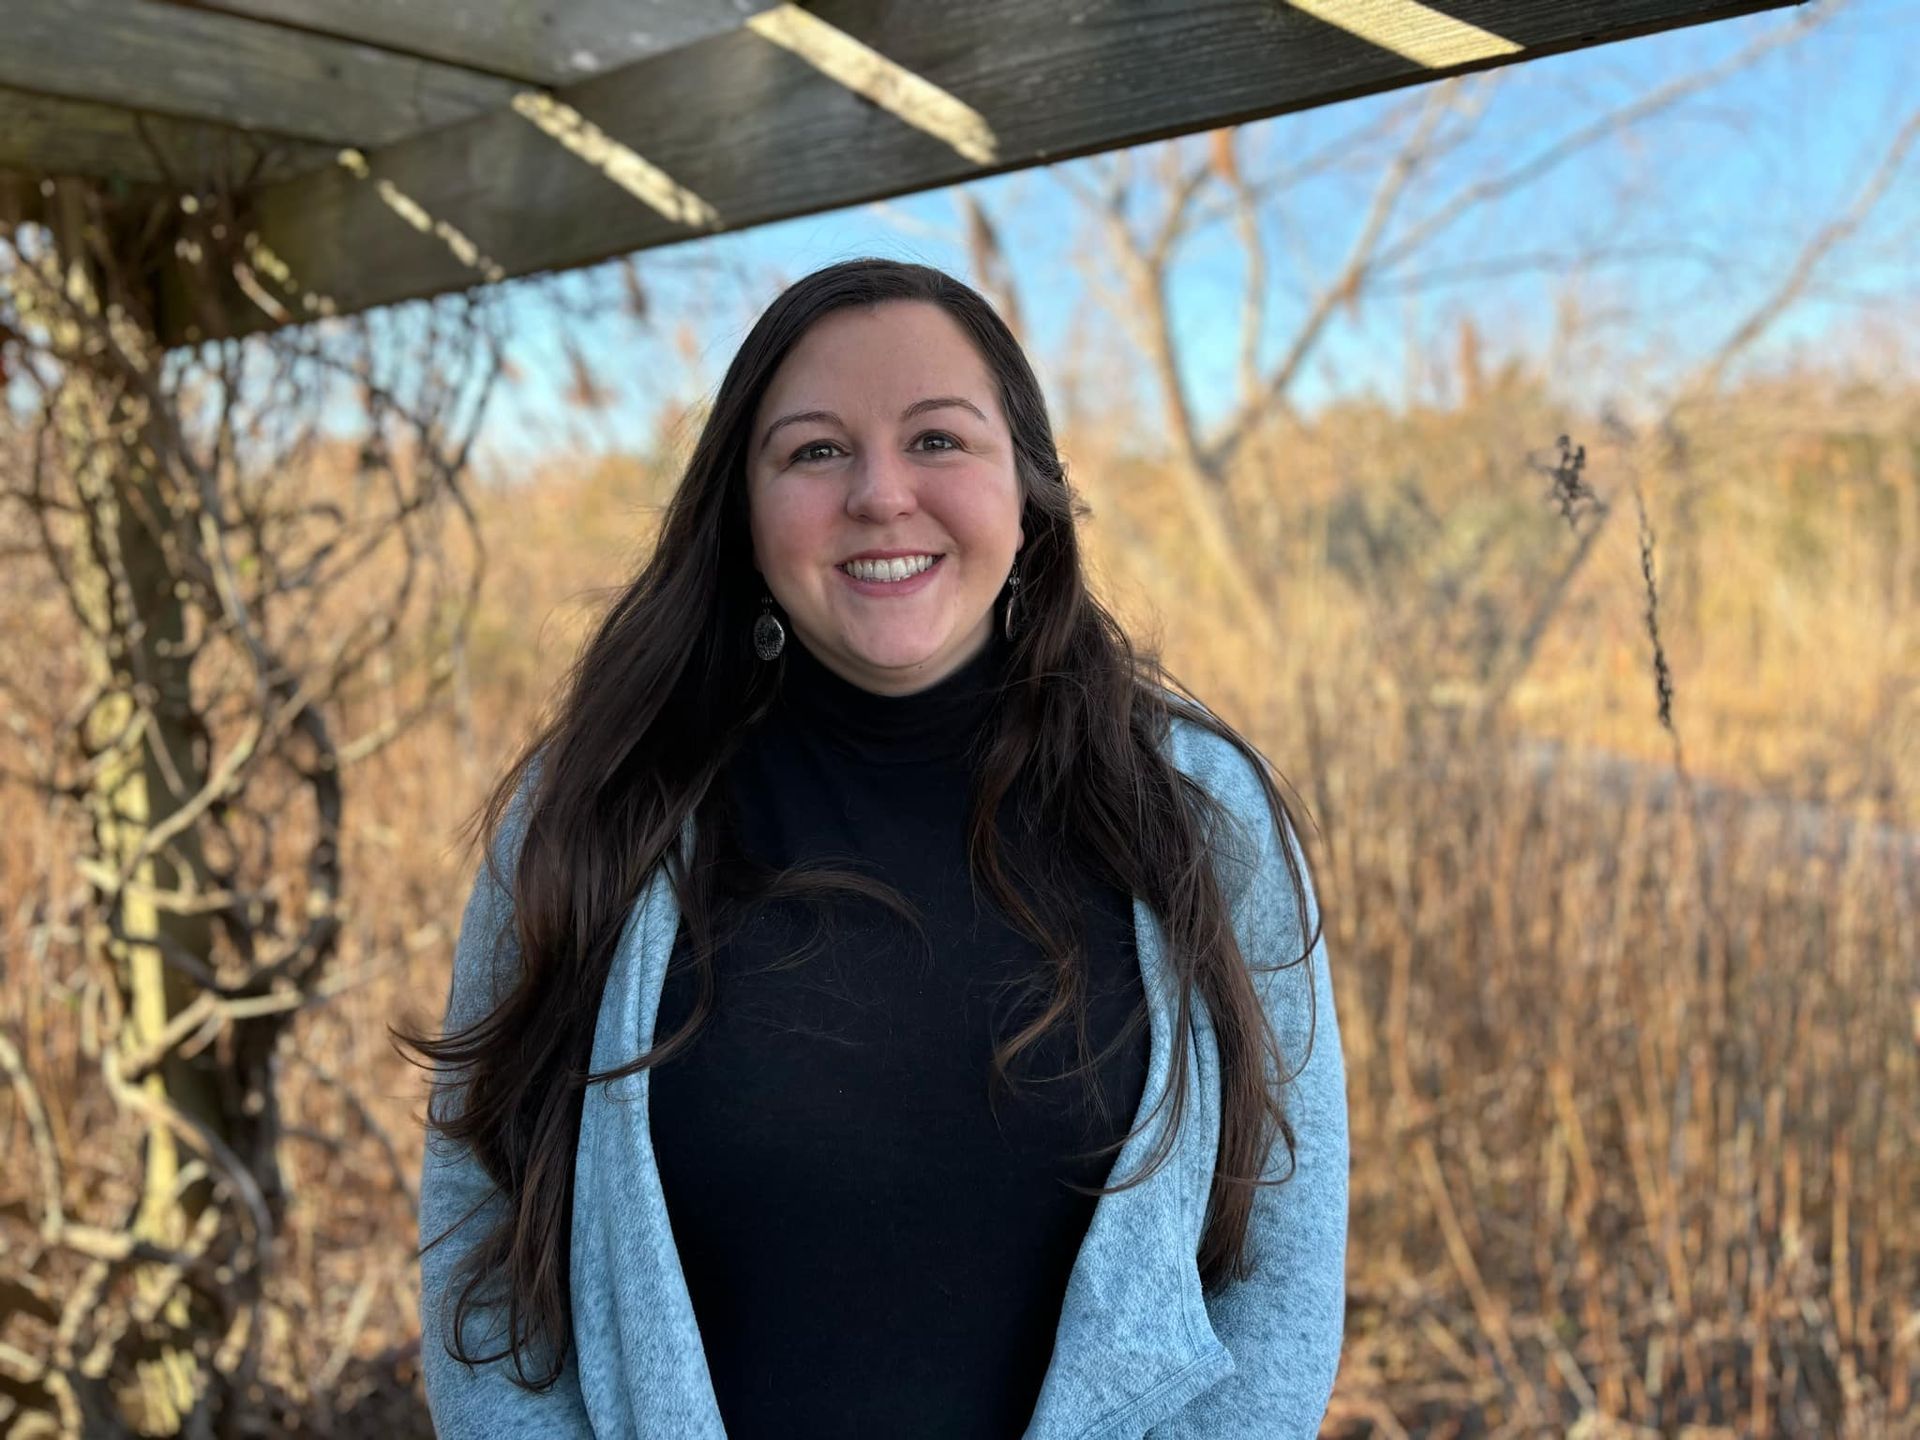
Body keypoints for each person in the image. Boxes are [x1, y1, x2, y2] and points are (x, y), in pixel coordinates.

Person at [402, 258, 1348, 1439]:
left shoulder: (1197, 811)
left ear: (1029, 488)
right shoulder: (600, 805)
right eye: (814, 451)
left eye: (939, 440)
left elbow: (1282, 1262)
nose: (881, 494)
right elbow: (482, 1231)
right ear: (744, 513)